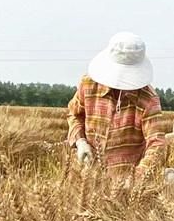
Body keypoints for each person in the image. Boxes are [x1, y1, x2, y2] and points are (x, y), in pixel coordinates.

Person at [67, 32, 167, 181]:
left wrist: (135, 179)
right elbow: (74, 114)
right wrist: (80, 141)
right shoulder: (88, 84)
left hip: (126, 184)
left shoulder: (148, 99)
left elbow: (157, 145)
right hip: (85, 178)